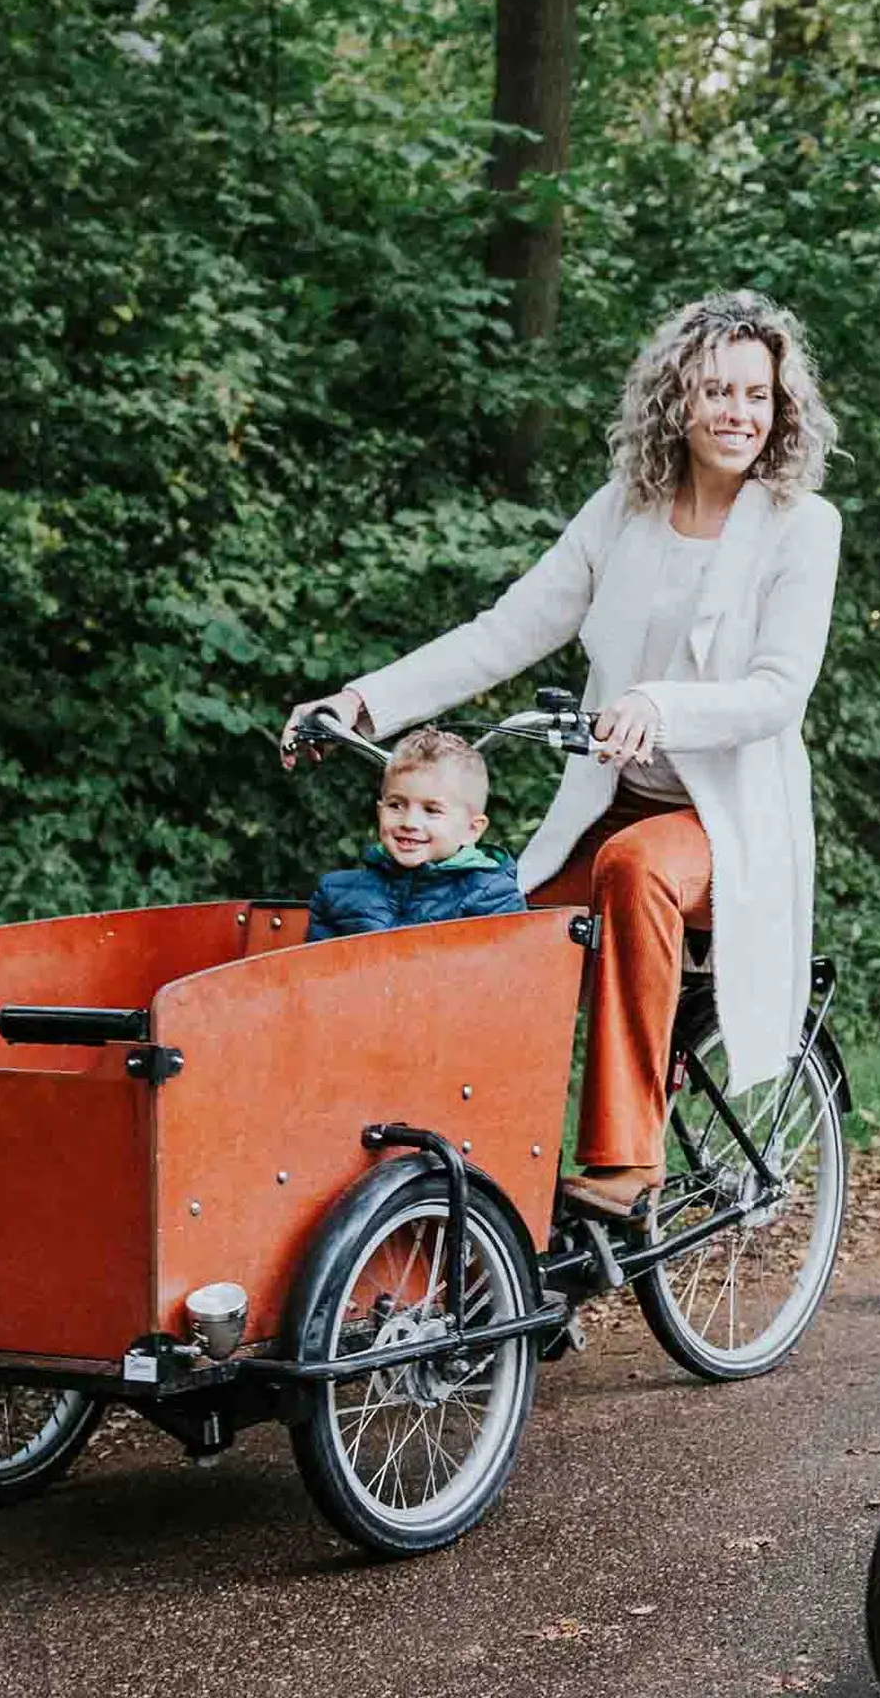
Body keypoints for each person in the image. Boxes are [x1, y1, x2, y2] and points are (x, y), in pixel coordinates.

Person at [296, 292, 843, 1222]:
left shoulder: (802, 526)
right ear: (677, 399)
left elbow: (777, 692)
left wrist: (657, 705)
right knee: (495, 929)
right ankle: (486, 1184)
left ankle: (627, 1164)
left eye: (759, 394)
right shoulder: (622, 512)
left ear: (783, 407)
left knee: (634, 871)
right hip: (607, 806)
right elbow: (505, 631)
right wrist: (362, 701)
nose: (739, 413)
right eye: (717, 390)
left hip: (726, 828)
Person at [305, 729, 528, 938]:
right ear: (379, 811)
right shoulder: (337, 894)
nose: (410, 822)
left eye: (431, 810)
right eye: (396, 805)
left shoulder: (492, 899)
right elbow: (314, 975)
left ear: (471, 830)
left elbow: (504, 976)